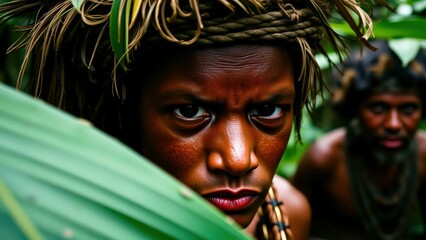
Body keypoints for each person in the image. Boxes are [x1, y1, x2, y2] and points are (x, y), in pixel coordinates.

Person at [0, 0, 386, 239]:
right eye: (190, 112)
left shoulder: (287, 215)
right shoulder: (57, 223)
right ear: (127, 111)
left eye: (267, 111)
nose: (237, 159)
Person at [292, 40, 426, 239]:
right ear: (356, 109)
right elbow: (285, 221)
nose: (394, 124)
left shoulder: (422, 155)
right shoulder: (325, 158)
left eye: (408, 109)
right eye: (378, 108)